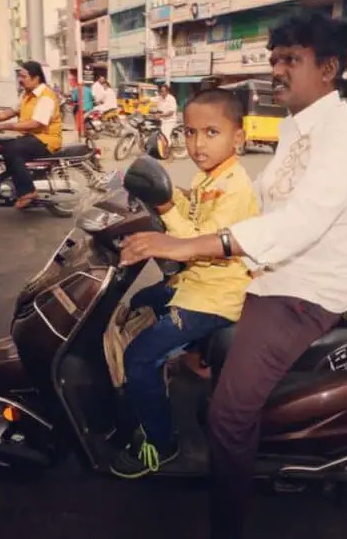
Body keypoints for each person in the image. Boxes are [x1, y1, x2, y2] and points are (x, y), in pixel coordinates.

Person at [118, 12, 347, 539]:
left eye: (291, 60)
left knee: (228, 418)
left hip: (299, 294)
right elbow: (258, 205)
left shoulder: (345, 133)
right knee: (160, 313)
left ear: (328, 68)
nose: (278, 70)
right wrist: (175, 209)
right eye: (275, 59)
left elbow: (300, 222)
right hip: (266, 277)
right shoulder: (297, 128)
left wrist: (190, 243)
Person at [110, 88, 259, 479]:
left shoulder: (235, 187)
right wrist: (155, 194)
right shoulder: (210, 175)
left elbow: (197, 241)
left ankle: (162, 443)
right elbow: (189, 204)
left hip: (216, 296)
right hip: (197, 283)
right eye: (190, 133)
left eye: (211, 133)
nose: (197, 143)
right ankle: (194, 361)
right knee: (144, 298)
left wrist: (164, 210)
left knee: (139, 357)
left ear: (238, 138)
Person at [0, 61, 63, 209]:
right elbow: (10, 112)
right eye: (19, 76)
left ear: (36, 78)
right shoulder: (27, 95)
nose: (20, 80)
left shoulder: (46, 96)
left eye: (24, 76)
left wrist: (2, 126)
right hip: (30, 138)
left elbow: (36, 123)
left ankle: (28, 191)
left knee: (11, 149)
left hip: (46, 140)